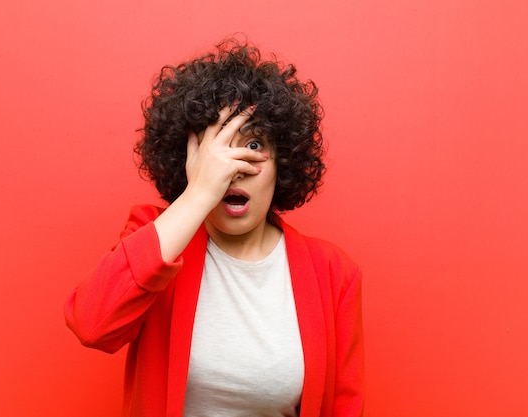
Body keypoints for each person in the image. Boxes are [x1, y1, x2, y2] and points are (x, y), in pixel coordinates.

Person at [64, 38, 364, 417]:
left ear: (282, 161)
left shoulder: (334, 273)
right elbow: (92, 325)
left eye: (253, 143)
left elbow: (344, 407)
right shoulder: (157, 238)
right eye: (214, 149)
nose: (233, 166)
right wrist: (198, 193)